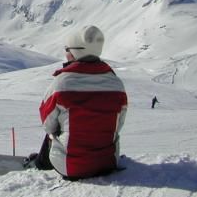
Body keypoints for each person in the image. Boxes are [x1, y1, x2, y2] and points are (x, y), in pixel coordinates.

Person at [26, 25, 128, 180]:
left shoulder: (61, 84)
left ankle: (40, 164)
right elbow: (118, 124)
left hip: (72, 168)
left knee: (53, 132)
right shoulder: (117, 83)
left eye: (67, 49)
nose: (66, 53)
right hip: (108, 162)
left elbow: (48, 124)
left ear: (75, 52)